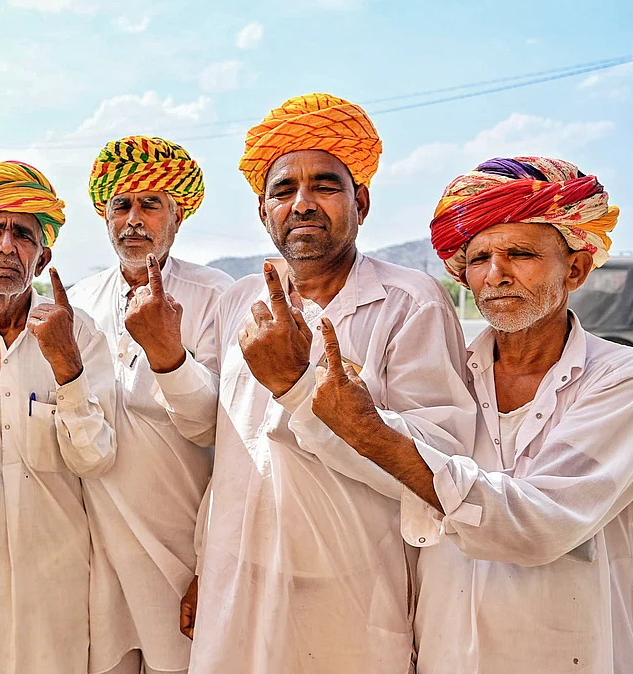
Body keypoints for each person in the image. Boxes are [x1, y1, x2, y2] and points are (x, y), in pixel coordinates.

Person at [312, 156, 633, 673]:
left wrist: (372, 433)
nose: (496, 274)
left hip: (580, 654)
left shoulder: (626, 379)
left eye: (520, 253)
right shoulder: (447, 371)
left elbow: (538, 524)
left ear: (576, 268)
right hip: (445, 652)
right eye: (479, 258)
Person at [185, 93, 475, 673]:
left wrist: (302, 386)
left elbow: (442, 458)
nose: (303, 204)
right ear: (263, 212)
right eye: (283, 190)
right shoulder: (239, 300)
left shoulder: (408, 302)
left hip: (353, 588)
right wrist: (203, 563)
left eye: (325, 185)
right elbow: (227, 450)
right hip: (238, 577)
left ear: (360, 202)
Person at [0, 160, 117, 674]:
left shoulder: (80, 334)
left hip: (57, 580)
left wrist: (68, 368)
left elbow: (95, 459)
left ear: (43, 254)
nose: (7, 246)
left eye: (23, 235)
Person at [68, 136, 231, 674]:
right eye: (122, 205)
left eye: (150, 204)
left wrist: (169, 354)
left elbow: (219, 430)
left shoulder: (217, 296)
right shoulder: (77, 301)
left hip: (182, 546)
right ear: (105, 216)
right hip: (98, 552)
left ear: (177, 217)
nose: (134, 218)